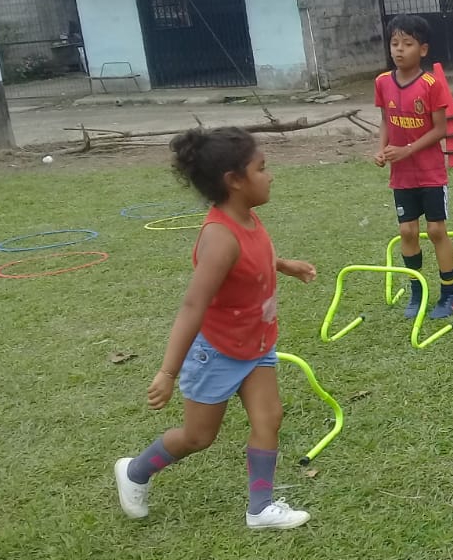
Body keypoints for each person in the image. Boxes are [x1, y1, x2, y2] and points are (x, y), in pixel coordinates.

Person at [113, 128, 317, 530]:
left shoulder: (248, 216)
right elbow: (193, 306)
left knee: (269, 418)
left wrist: (284, 265)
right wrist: (167, 372)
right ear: (234, 180)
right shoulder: (219, 238)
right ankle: (135, 471)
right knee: (198, 437)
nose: (270, 175)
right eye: (262, 168)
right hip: (218, 352)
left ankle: (260, 508)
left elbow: (254, 256)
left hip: (256, 343)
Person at [374, 14, 453, 320]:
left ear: (422, 50)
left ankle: (449, 293)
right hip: (402, 176)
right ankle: (417, 291)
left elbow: (441, 129)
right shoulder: (382, 82)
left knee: (436, 230)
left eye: (407, 44)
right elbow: (386, 121)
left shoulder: (431, 84)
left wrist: (408, 149)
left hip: (430, 172)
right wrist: (382, 149)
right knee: (407, 231)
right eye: (394, 43)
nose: (399, 49)